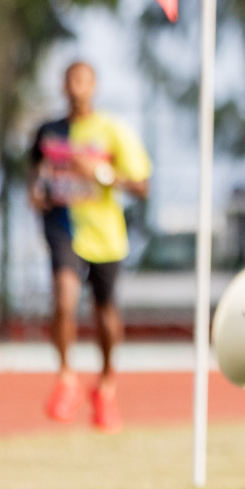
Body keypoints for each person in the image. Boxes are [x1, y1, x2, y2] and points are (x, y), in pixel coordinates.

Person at [29, 62, 152, 434]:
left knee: (105, 314)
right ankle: (67, 379)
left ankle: (107, 386)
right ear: (63, 86)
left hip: (105, 235)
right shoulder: (48, 132)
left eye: (83, 81)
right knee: (64, 298)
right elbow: (34, 173)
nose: (76, 88)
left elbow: (142, 185)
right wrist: (36, 192)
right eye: (69, 80)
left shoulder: (113, 130)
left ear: (94, 86)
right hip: (63, 228)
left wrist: (100, 174)